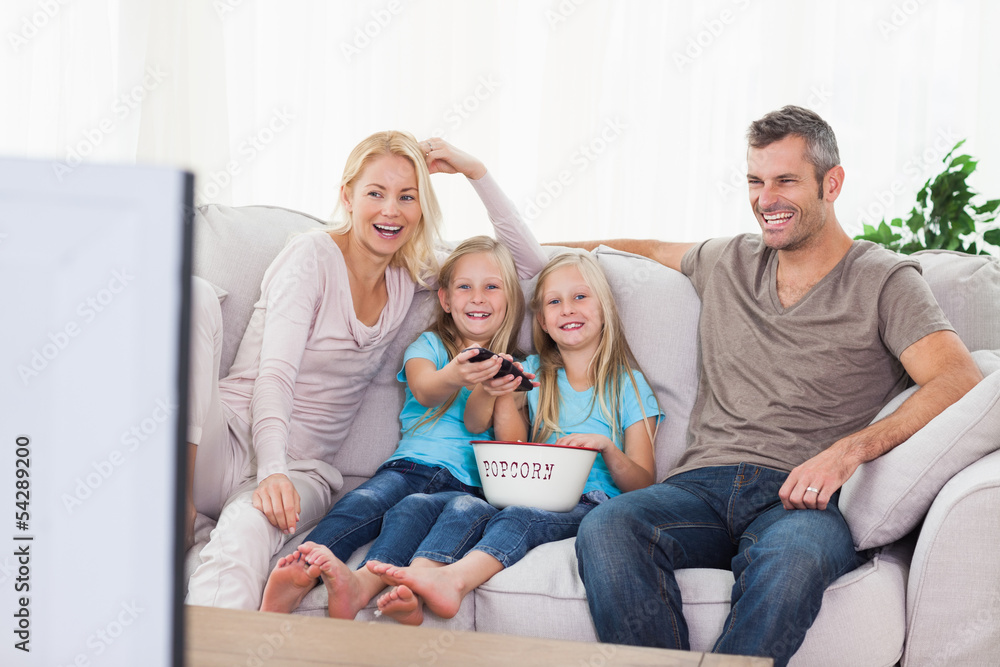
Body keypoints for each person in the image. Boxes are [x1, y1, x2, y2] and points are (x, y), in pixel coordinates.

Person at [561, 106, 983, 666]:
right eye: (755, 182)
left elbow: (959, 378)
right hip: (699, 488)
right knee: (609, 526)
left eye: (785, 180)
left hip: (803, 499)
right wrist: (532, 251)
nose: (766, 199)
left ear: (831, 183)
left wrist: (846, 453)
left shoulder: (884, 279)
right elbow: (635, 248)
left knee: (796, 561)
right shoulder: (727, 259)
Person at [185, 133, 547, 610]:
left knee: (242, 539)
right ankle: (179, 504)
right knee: (191, 296)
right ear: (347, 196)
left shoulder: (409, 272)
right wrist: (268, 469)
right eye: (375, 193)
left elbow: (530, 265)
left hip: (303, 472)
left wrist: (475, 171)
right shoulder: (311, 257)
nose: (390, 211)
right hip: (230, 440)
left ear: (421, 209)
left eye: (407, 197)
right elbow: (275, 376)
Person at [365, 251, 663, 625]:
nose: (567, 309)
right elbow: (512, 448)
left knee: (520, 517)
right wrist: (504, 392)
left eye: (580, 297)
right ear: (541, 319)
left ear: (605, 307)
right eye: (555, 301)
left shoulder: (628, 385)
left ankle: (452, 581)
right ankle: (422, 578)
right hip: (538, 492)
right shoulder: (535, 371)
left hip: (596, 504)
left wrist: (605, 448)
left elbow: (643, 482)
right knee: (471, 508)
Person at [257, 233, 538, 617]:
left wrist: (497, 390)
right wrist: (457, 373)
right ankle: (304, 569)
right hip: (409, 466)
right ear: (445, 299)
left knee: (413, 516)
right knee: (363, 502)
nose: (478, 297)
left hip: (471, 485)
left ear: (510, 299)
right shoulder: (429, 346)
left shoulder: (521, 368)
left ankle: (363, 580)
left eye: (492, 287)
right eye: (464, 287)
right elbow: (426, 390)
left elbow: (503, 441)